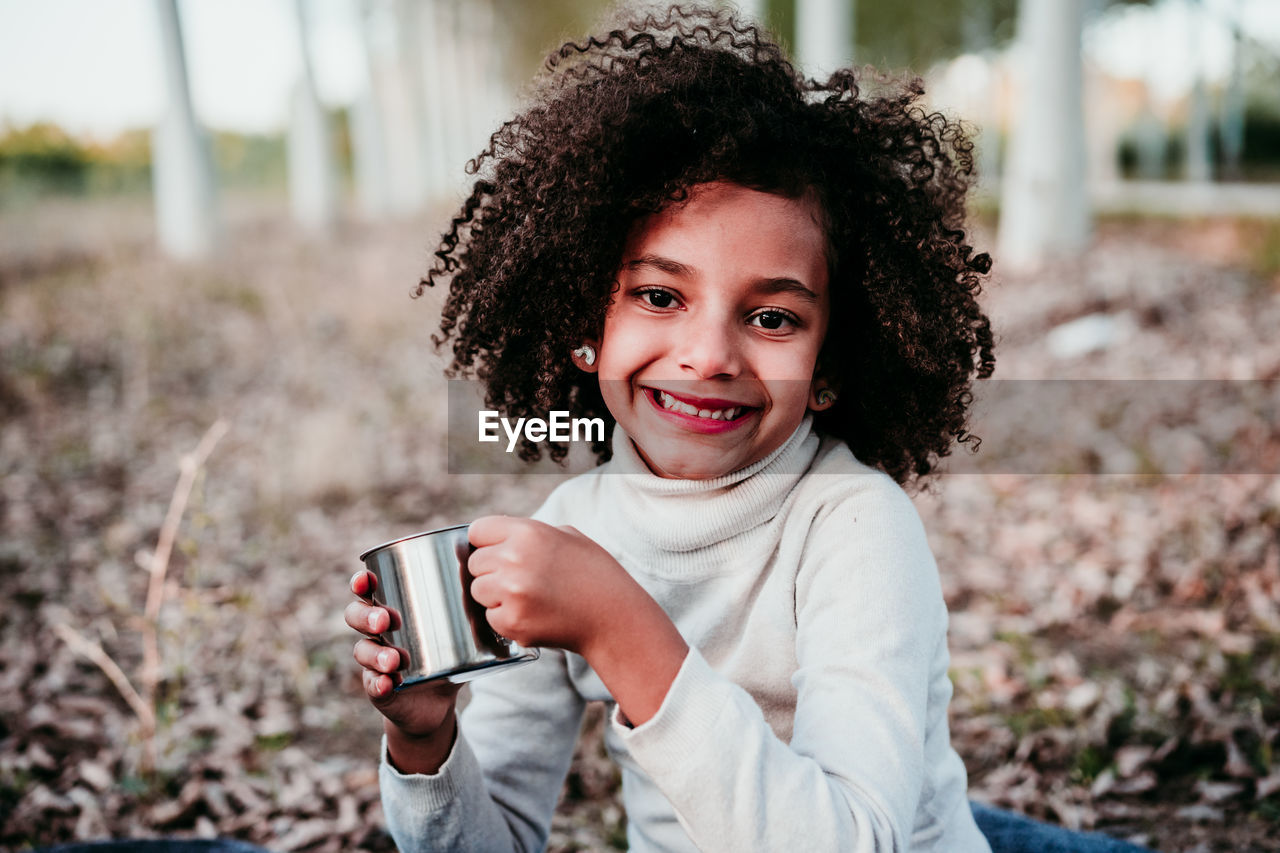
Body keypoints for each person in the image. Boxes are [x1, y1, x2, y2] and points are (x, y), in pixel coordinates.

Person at [345, 5, 1152, 852]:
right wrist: (425, 740)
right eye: (660, 296)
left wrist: (619, 625)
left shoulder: (851, 522)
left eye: (771, 317)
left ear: (833, 363)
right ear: (590, 321)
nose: (707, 355)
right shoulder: (570, 534)